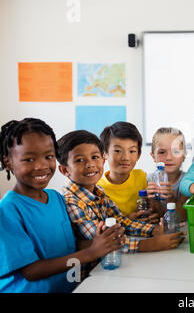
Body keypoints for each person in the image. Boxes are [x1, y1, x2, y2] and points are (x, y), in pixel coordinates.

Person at [0, 118, 124, 292]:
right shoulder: (8, 210)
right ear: (8, 162)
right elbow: (31, 271)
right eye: (29, 159)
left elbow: (69, 246)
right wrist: (91, 252)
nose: (41, 166)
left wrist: (101, 241)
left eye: (48, 157)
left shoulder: (56, 198)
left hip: (68, 287)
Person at [57, 130, 185, 278]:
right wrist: (150, 244)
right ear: (64, 169)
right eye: (79, 160)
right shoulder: (72, 201)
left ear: (102, 159)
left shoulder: (98, 192)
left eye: (95, 157)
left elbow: (122, 222)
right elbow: (104, 243)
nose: (90, 164)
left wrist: (154, 230)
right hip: (89, 277)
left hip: (111, 267)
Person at [98, 121, 155, 220]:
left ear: (138, 155)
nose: (125, 157)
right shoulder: (98, 188)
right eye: (117, 151)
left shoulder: (142, 177)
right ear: (104, 153)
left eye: (132, 151)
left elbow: (153, 208)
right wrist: (128, 220)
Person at [149, 127, 187, 222]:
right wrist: (151, 199)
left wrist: (170, 197)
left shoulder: (187, 181)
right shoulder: (148, 180)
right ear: (153, 156)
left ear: (184, 155)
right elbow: (154, 215)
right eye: (162, 152)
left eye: (176, 151)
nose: (169, 157)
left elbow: (182, 217)